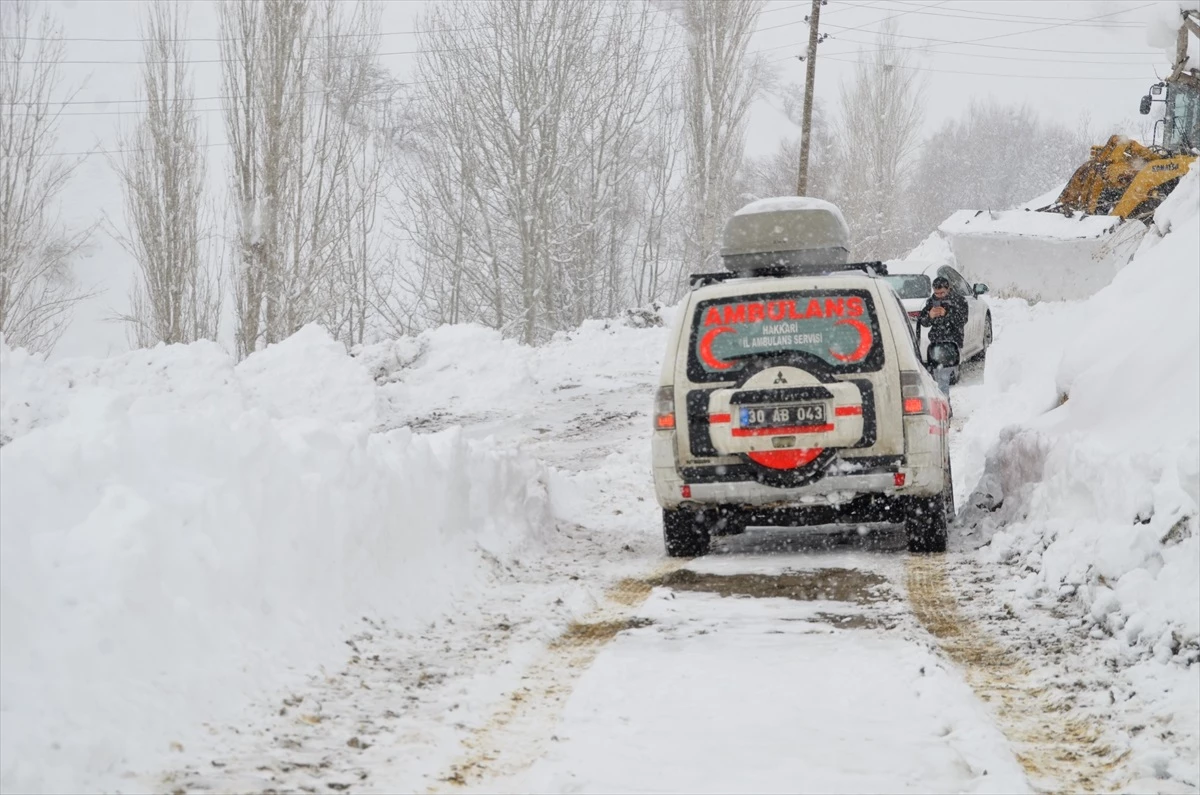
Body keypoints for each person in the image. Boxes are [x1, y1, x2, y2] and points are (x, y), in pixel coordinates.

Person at [918, 276, 968, 401]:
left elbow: (962, 320)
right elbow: (923, 321)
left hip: (952, 342)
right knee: (937, 376)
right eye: (937, 293)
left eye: (942, 293)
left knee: (944, 376)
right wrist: (929, 316)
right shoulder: (931, 302)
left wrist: (947, 314)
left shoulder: (959, 300)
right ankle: (944, 403)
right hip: (935, 342)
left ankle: (944, 403)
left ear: (948, 289)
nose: (939, 296)